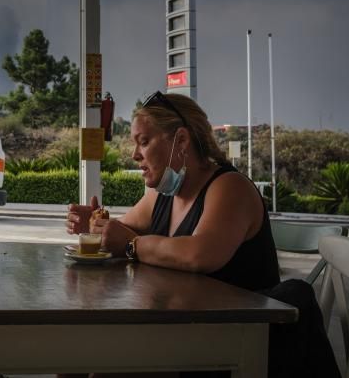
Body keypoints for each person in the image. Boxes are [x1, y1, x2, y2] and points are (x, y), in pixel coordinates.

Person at [67, 90, 279, 291]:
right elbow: (119, 231)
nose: (135, 155)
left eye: (144, 142)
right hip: (191, 324)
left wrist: (132, 245)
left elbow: (198, 255)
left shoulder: (231, 187)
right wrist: (95, 225)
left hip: (247, 327)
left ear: (181, 140)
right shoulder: (161, 194)